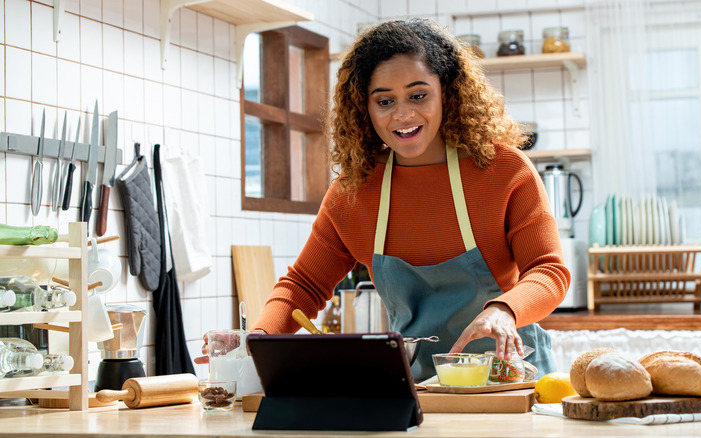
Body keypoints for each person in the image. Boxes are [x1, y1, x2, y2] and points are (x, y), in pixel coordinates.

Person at [202, 19, 570, 380]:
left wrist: (506, 309)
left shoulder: (502, 170)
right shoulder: (356, 191)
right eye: (384, 101)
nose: (403, 114)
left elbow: (549, 271)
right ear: (365, 107)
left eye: (418, 95)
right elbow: (303, 285)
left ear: (448, 92)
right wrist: (260, 337)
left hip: (510, 379)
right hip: (417, 390)